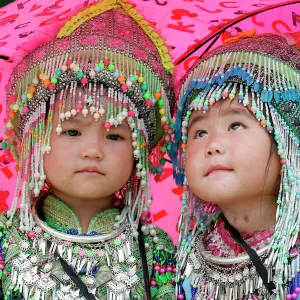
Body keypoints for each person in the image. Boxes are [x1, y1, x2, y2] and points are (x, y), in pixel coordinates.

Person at [0, 0, 176, 299]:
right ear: (36, 140)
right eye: (72, 131)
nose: (93, 150)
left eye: (116, 136)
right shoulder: (5, 240)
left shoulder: (158, 251)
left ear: (139, 154)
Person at [172, 32, 300, 299]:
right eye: (199, 133)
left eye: (236, 125)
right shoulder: (179, 262)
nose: (214, 145)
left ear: (286, 144)